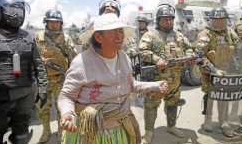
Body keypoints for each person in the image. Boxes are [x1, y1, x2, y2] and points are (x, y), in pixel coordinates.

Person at [58, 13, 168, 144]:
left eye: (120, 31)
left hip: (120, 130)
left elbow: (130, 84)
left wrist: (155, 85)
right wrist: (67, 114)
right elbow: (66, 96)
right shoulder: (81, 62)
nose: (119, 35)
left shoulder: (124, 58)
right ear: (99, 37)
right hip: (91, 134)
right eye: (113, 32)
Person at [0, 0, 48, 144]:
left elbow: (39, 65)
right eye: (12, 11)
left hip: (24, 96)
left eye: (19, 11)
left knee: (22, 136)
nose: (16, 15)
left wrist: (43, 88)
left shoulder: (27, 36)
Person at [139, 4, 192, 143]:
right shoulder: (150, 35)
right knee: (151, 105)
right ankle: (149, 133)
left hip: (175, 79)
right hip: (156, 80)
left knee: (173, 103)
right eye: (165, 19)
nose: (168, 22)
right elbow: (143, 51)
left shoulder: (179, 35)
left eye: (170, 19)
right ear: (158, 20)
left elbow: (189, 49)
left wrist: (190, 57)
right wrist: (157, 59)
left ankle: (171, 126)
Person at [196, 7, 241, 137]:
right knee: (211, 96)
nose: (220, 22)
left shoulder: (230, 32)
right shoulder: (205, 34)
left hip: (227, 71)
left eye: (222, 19)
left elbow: (239, 47)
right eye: (217, 19)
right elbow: (199, 56)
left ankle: (224, 122)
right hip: (210, 73)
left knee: (224, 97)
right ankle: (208, 120)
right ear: (212, 20)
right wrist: (214, 70)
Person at [36, 9, 76, 143]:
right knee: (42, 108)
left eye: (56, 22)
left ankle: (61, 131)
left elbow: (74, 60)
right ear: (46, 22)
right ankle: (46, 131)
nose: (54, 25)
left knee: (62, 108)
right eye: (51, 22)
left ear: (61, 23)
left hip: (61, 80)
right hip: (43, 80)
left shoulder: (66, 39)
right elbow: (33, 57)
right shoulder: (38, 37)